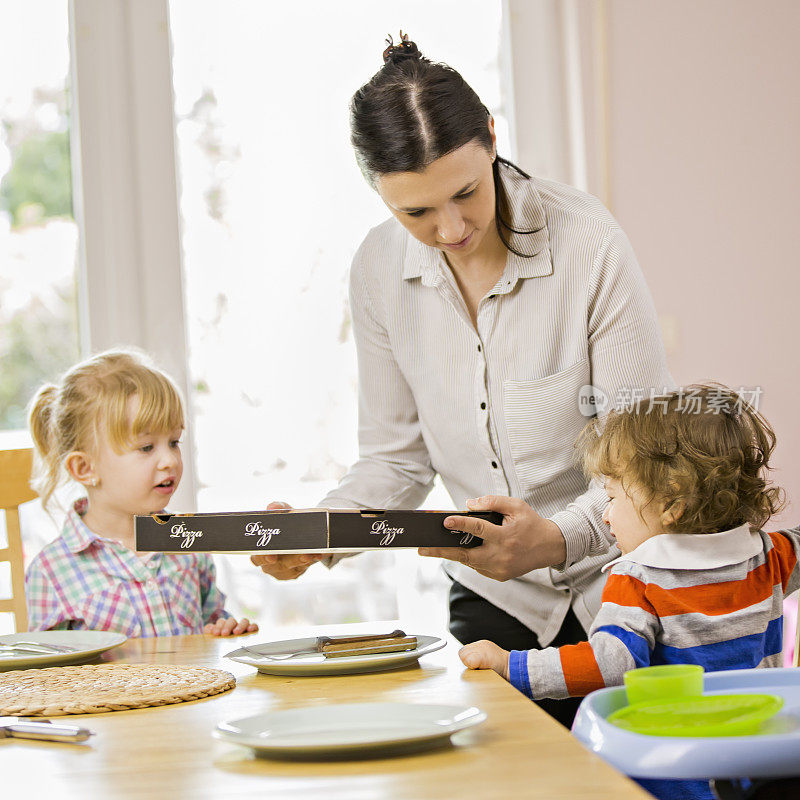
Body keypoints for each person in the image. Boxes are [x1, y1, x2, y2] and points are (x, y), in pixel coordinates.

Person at [251, 34, 672, 727]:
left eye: (466, 193)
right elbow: (396, 459)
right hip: (495, 602)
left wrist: (558, 539)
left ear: (492, 140)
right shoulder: (379, 271)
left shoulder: (588, 243)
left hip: (622, 590)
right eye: (415, 213)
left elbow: (649, 462)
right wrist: (323, 532)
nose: (450, 228)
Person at [460, 385, 795, 800]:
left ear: (672, 505)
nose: (604, 514)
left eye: (614, 496)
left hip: (674, 773)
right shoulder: (768, 556)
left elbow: (608, 664)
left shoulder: (639, 578)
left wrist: (513, 667)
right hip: (758, 762)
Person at [25, 349, 258, 638]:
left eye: (173, 442)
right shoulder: (51, 572)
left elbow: (211, 627)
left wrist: (226, 629)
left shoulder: (189, 546)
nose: (170, 460)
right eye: (146, 447)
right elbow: (50, 676)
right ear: (85, 468)